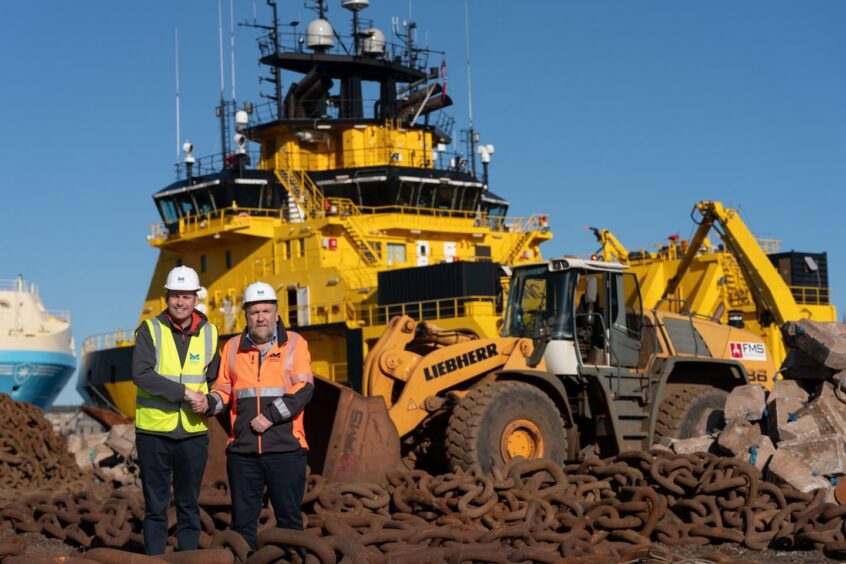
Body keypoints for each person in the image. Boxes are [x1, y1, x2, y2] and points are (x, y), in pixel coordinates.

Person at [205, 281, 314, 551]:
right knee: (242, 525)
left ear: (276, 313)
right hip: (243, 452)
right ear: (246, 315)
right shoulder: (231, 348)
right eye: (255, 312)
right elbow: (223, 389)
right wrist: (208, 403)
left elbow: (304, 389)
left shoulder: (295, 344)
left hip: (286, 449)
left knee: (289, 522)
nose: (261, 317)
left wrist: (269, 416)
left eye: (266, 311)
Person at [132, 265, 220, 555]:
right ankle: (154, 560)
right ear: (166, 298)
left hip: (193, 433)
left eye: (186, 296)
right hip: (154, 433)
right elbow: (142, 375)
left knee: (189, 505)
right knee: (156, 507)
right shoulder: (150, 330)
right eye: (174, 296)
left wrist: (210, 401)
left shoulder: (210, 333)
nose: (180, 302)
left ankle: (188, 560)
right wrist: (186, 393)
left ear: (196, 299)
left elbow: (215, 381)